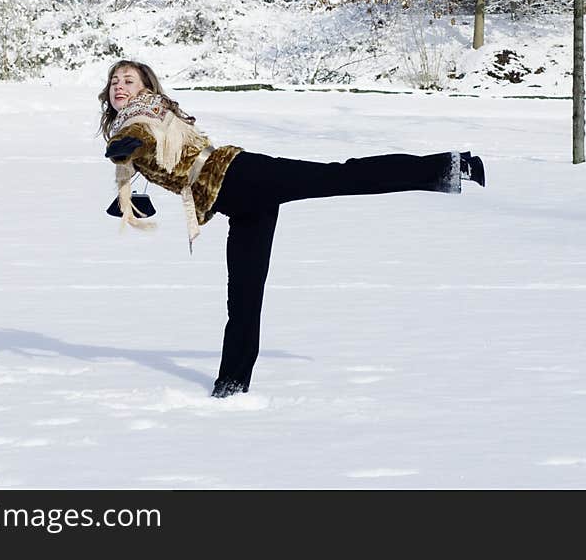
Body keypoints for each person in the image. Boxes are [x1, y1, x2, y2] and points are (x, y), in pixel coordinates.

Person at [98, 60, 485, 398]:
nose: (119, 86)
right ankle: (231, 386)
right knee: (244, 300)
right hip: (239, 205)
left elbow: (141, 139)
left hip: (245, 175)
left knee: (343, 176)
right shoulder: (137, 122)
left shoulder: (143, 121)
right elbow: (138, 154)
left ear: (146, 87)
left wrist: (125, 145)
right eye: (115, 81)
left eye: (128, 80)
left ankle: (451, 166)